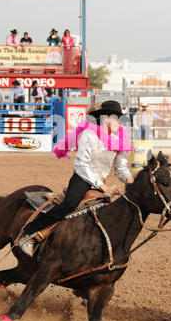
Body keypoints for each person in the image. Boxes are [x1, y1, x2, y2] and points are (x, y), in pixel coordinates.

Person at [18, 100, 134, 257]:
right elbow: (82, 165)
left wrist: (129, 179)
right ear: (105, 118)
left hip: (100, 183)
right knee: (70, 204)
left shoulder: (119, 140)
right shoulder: (89, 135)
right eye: (116, 117)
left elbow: (120, 167)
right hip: (83, 178)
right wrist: (103, 187)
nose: (120, 122)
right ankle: (29, 234)